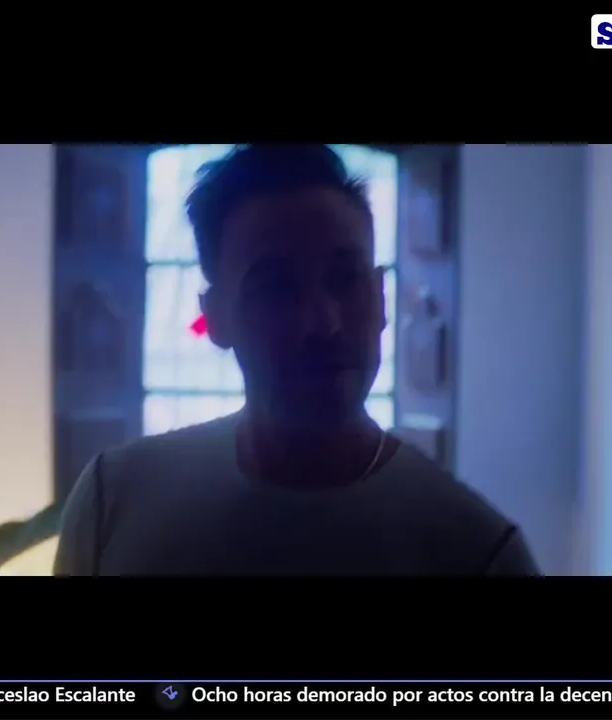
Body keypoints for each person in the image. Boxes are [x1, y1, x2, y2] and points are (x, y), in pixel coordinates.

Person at [54, 144, 540, 576]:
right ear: (215, 317)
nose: (323, 323)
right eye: (276, 288)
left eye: (345, 279)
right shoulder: (114, 503)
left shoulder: (476, 552)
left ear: (380, 299)